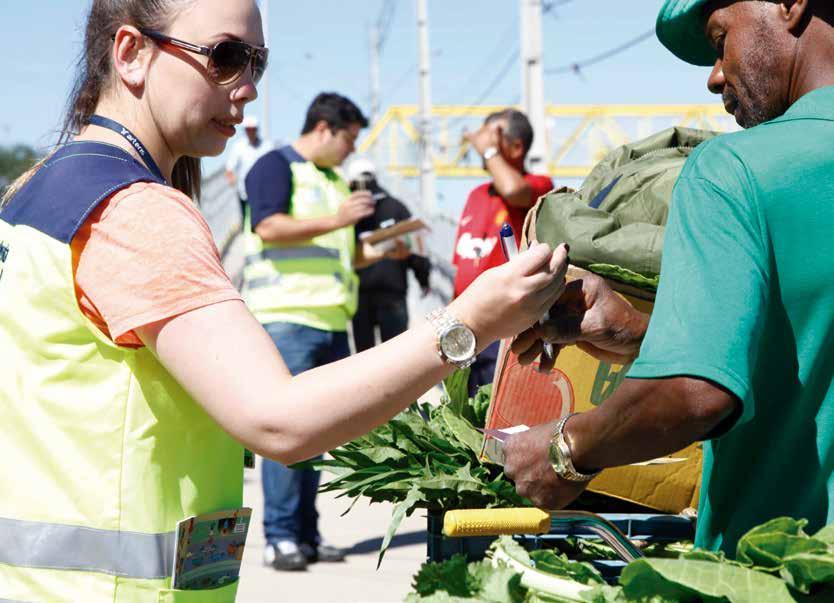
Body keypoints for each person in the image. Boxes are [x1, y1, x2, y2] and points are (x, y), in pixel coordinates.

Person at [0, 0, 569, 599]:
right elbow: (278, 420)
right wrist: (470, 323)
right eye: (224, 57)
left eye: (256, 63)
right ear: (132, 53)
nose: (246, 88)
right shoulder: (136, 211)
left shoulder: (36, 188)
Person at [503, 0, 834, 556]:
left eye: (718, 38)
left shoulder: (735, 171)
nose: (715, 77)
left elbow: (694, 393)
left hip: (783, 572)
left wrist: (566, 448)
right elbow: (803, 352)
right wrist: (639, 334)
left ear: (790, 4)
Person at [241, 93, 404, 571]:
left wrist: (378, 255)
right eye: (349, 139)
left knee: (320, 439)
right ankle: (280, 537)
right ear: (325, 129)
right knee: (289, 435)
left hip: (333, 322)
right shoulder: (275, 166)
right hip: (289, 319)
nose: (352, 150)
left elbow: (339, 253)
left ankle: (307, 535)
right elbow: (268, 226)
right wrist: (338, 219)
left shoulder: (333, 181)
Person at [452, 109, 554, 395]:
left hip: (502, 331)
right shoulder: (476, 195)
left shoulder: (538, 185)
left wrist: (488, 152)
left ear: (516, 146)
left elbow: (512, 189)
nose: (481, 142)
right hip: (464, 326)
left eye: (493, 135)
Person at [347, 157, 431, 352]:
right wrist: (423, 278)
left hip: (360, 294)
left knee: (363, 359)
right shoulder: (396, 207)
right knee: (396, 355)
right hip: (393, 292)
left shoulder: (348, 212)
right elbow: (415, 246)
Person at [224, 114, 273, 216]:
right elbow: (230, 167)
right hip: (244, 190)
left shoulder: (266, 146)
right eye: (248, 129)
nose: (250, 132)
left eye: (253, 129)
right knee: (246, 217)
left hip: (263, 190)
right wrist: (231, 177)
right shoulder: (238, 147)